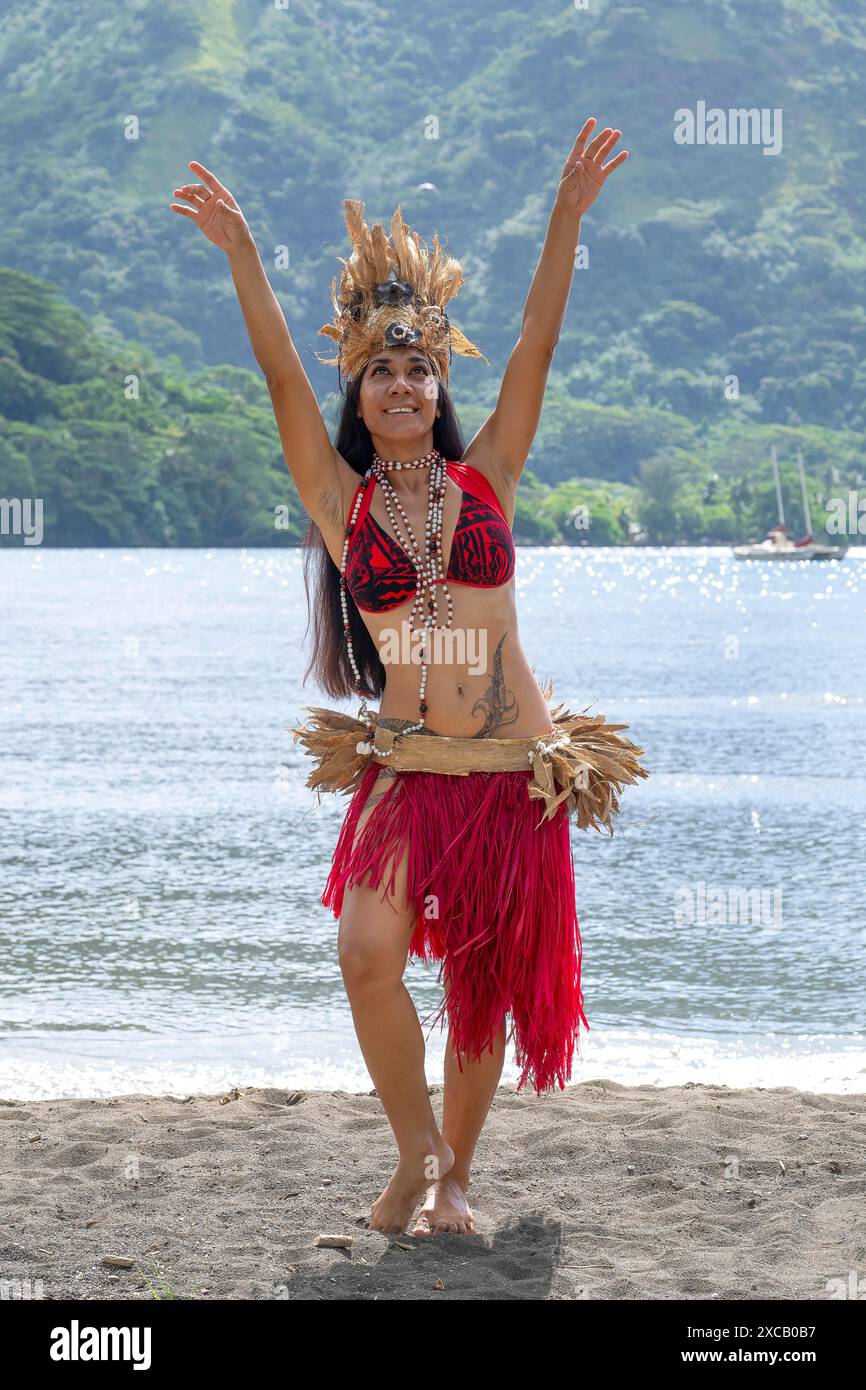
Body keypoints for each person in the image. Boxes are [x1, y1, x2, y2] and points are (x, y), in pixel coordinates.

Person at [169, 118, 647, 1237]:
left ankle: (451, 1180)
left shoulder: (492, 476)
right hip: (405, 769)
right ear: (361, 384)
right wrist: (243, 256)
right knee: (364, 952)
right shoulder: (339, 506)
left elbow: (533, 340)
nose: (399, 383)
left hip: (510, 773)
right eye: (380, 368)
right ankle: (414, 1147)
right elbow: (277, 371)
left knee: (480, 991)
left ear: (438, 385)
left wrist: (563, 222)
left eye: (417, 368)